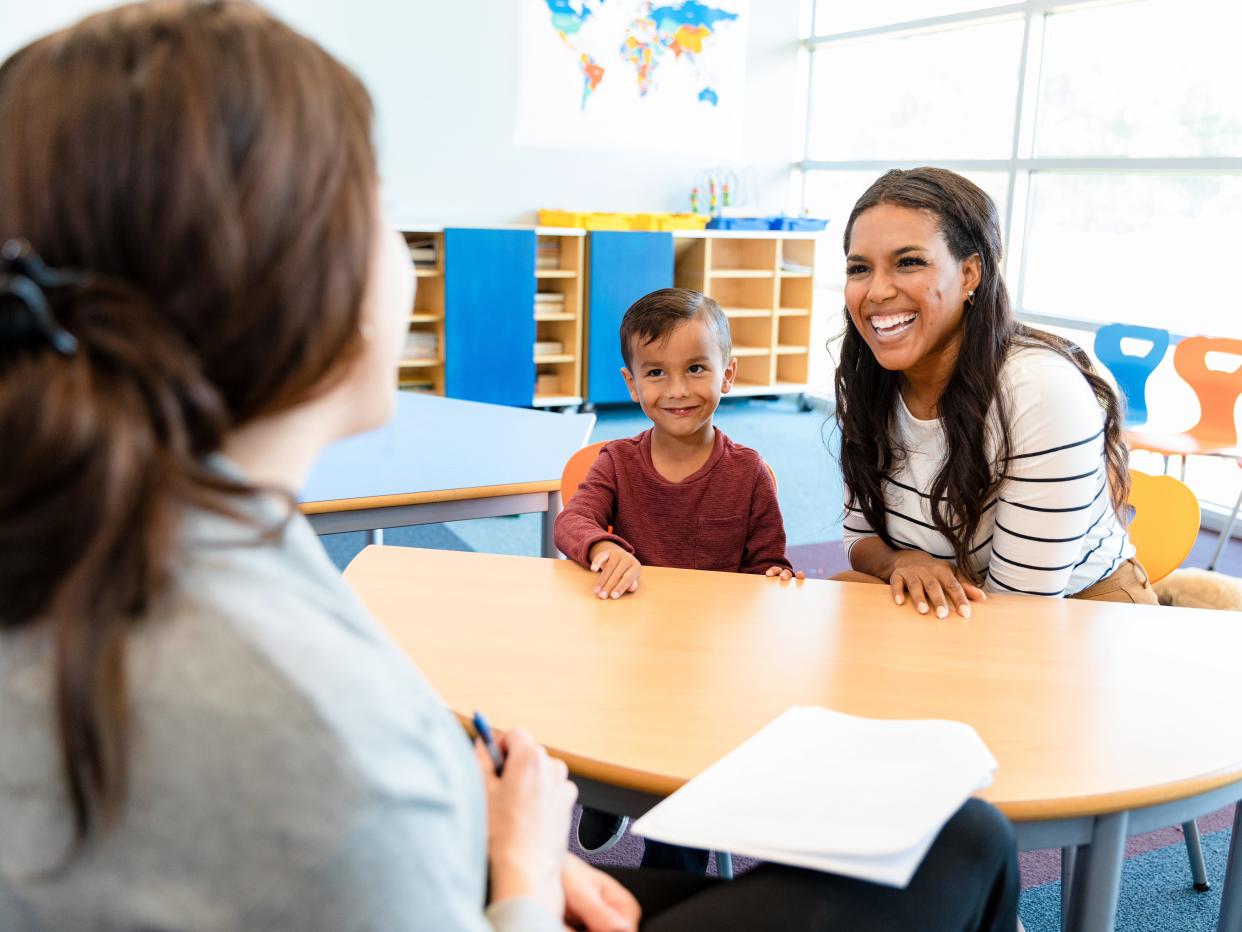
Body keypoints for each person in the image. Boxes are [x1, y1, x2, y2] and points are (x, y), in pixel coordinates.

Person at [0, 5, 1018, 930]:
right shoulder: (296, 723)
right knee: (965, 841)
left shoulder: (138, 530)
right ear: (296, 277)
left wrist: (495, 852)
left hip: (472, 868)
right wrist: (522, 866)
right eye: (379, 207)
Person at [835, 167, 1157, 616]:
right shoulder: (870, 375)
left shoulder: (1040, 391)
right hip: (958, 606)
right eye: (860, 268)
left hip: (1076, 614)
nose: (878, 290)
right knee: (839, 594)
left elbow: (1019, 609)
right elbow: (858, 536)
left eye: (909, 262)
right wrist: (901, 560)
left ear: (970, 273)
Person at [554, 287, 800, 870]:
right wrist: (603, 547)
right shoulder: (616, 461)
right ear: (632, 384)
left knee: (681, 800)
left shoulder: (749, 474)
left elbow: (770, 564)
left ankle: (669, 855)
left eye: (696, 368)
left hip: (711, 666)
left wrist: (776, 579)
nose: (678, 390)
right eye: (656, 373)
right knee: (589, 710)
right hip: (630, 655)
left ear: (728, 374)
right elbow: (573, 521)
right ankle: (607, 789)